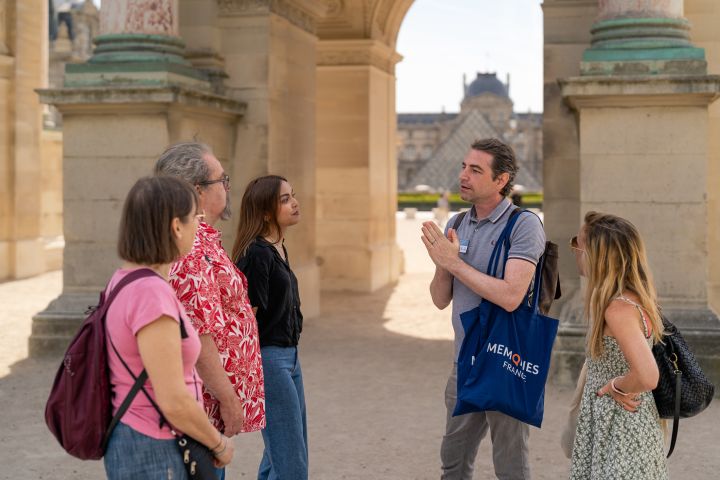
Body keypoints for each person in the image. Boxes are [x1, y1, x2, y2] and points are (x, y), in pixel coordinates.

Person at [421, 138, 546, 480]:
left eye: (476, 170)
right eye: (464, 166)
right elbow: (439, 298)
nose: (464, 174)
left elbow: (511, 296)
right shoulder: (457, 224)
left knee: (510, 465)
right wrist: (443, 265)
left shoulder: (524, 225)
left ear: (501, 180)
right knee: (453, 460)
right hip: (464, 361)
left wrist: (455, 263)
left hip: (507, 359)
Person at [104, 176, 234, 479]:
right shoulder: (151, 294)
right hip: (156, 446)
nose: (198, 226)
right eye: (195, 218)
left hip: (139, 438)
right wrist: (218, 444)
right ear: (176, 226)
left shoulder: (124, 279)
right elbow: (173, 400)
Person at [154, 143, 266, 478]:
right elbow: (200, 335)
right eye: (223, 179)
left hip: (205, 409)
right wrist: (230, 399)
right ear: (197, 191)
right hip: (200, 411)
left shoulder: (201, 242)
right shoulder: (189, 249)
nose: (228, 188)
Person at [569, 212, 668, 479]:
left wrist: (614, 386)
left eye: (577, 244)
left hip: (619, 427)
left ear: (596, 255)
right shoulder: (635, 299)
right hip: (629, 424)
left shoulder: (618, 309)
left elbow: (648, 375)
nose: (575, 251)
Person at [232, 175, 307, 480]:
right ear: (265, 211)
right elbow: (246, 318)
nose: (295, 203)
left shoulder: (277, 249)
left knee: (281, 454)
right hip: (270, 360)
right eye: (285, 199)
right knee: (291, 463)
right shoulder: (257, 253)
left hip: (290, 358)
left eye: (293, 195)